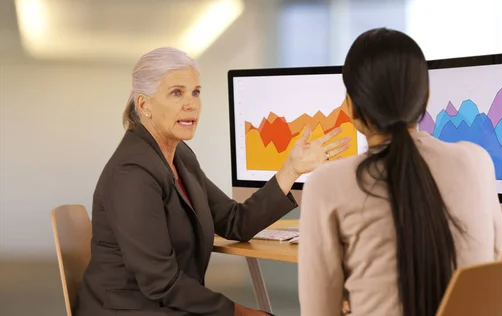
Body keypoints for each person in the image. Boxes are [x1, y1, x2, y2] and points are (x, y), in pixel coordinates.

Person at [73, 46, 350, 316]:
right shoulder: (132, 173)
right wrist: (239, 313)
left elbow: (235, 221)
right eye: (176, 93)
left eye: (195, 92)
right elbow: (161, 283)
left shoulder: (179, 156)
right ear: (144, 104)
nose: (191, 104)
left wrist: (291, 169)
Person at [298, 28, 502, 316]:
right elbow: (489, 264)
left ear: (351, 108)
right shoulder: (478, 162)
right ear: (426, 97)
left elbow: (318, 311)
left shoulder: (326, 183)